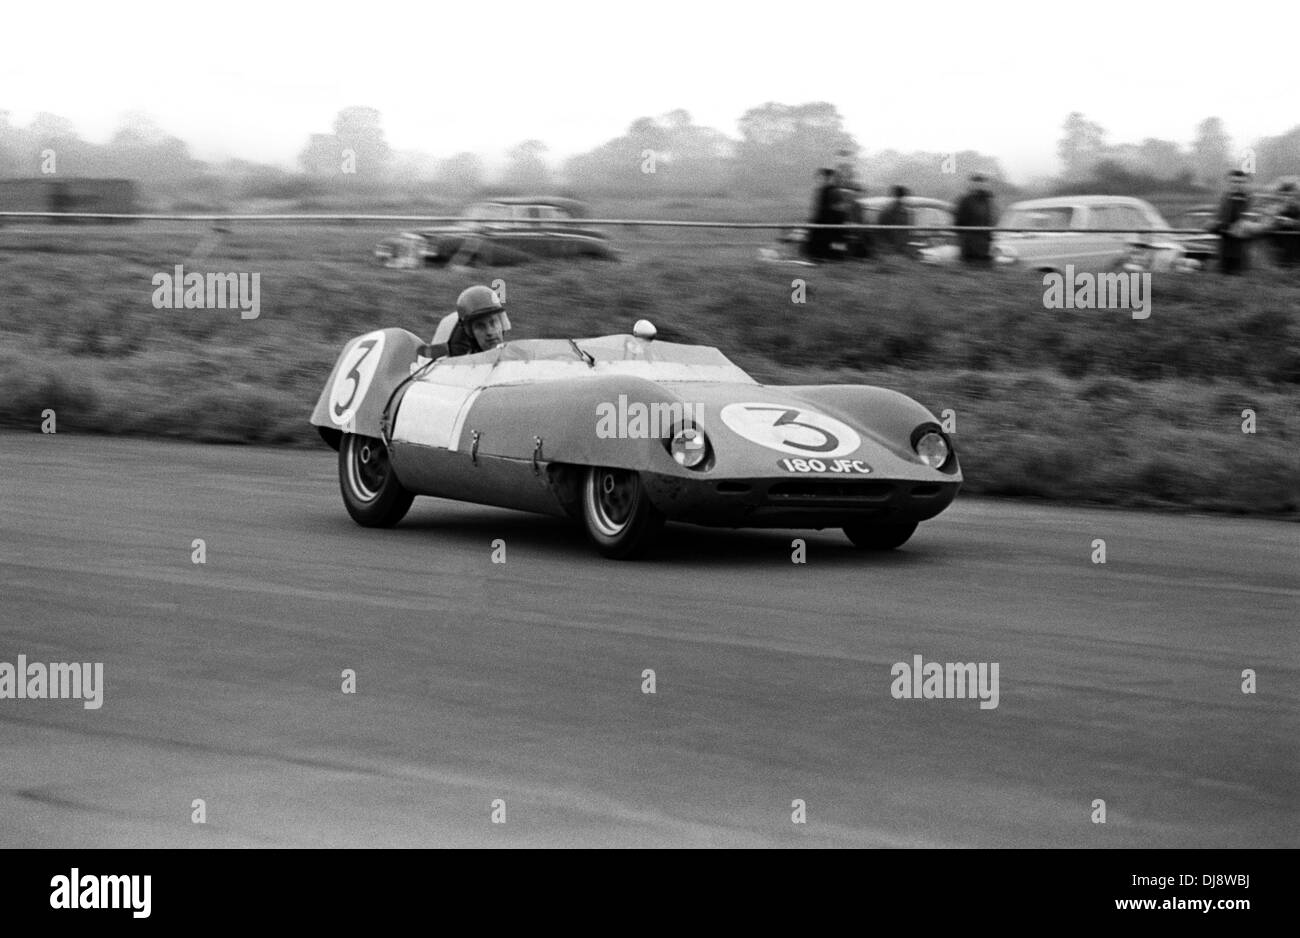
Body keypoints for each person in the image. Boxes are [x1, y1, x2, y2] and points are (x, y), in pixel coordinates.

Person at [447, 285, 511, 356]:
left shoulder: (516, 358)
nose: (490, 332)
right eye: (480, 326)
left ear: (502, 324)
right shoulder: (465, 365)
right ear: (470, 333)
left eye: (493, 323)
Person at [1213, 170, 1253, 275]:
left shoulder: (1249, 199)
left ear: (1246, 184)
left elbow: (1250, 218)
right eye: (1234, 182)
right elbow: (1220, 216)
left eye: (1241, 182)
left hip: (1242, 243)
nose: (1237, 185)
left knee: (1240, 272)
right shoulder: (1225, 198)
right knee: (1223, 273)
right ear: (1229, 183)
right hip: (1225, 242)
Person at [954, 174, 996, 265]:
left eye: (982, 183)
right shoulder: (965, 201)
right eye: (976, 183)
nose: (979, 185)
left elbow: (990, 221)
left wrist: (989, 239)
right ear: (971, 184)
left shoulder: (987, 201)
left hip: (984, 246)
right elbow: (958, 223)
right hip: (969, 247)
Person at [805, 168, 843, 262]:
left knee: (830, 245)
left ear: (828, 178)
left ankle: (830, 258)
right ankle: (820, 257)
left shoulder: (833, 191)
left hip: (830, 224)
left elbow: (839, 209)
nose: (819, 180)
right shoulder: (822, 191)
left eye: (821, 177)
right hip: (821, 223)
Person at [1269, 182, 1300, 268]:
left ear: (1295, 197)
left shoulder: (1297, 209)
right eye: (1284, 196)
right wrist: (1275, 220)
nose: (1287, 199)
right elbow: (1267, 224)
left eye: (1290, 196)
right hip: (1278, 252)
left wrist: (1293, 223)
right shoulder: (1275, 210)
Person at [878, 185, 914, 254]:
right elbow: (902, 226)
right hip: (895, 243)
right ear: (903, 196)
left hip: (891, 243)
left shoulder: (887, 208)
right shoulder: (897, 209)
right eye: (906, 196)